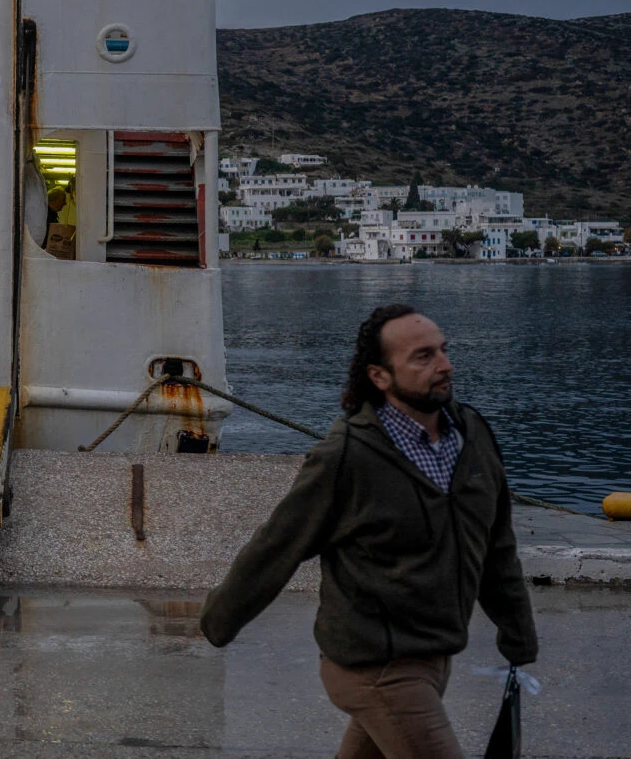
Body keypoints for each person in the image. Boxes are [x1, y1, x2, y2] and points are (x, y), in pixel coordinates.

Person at [200, 305, 536, 759]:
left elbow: (496, 546)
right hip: (373, 667)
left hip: (435, 657)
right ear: (379, 377)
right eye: (422, 356)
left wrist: (517, 628)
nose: (444, 365)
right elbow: (277, 546)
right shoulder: (347, 457)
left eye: (442, 350)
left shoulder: (472, 434)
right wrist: (218, 622)